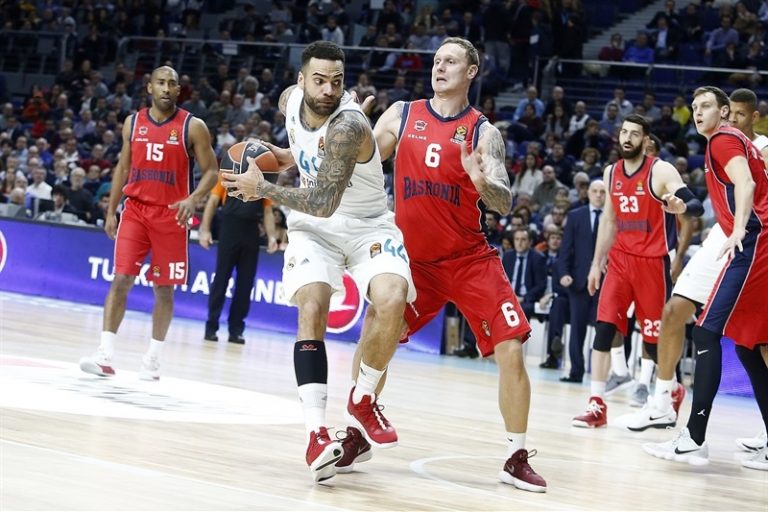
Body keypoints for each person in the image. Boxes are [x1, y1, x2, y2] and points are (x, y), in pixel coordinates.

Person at [220, 42, 415, 483]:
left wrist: (262, 187)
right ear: (301, 81)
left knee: (393, 299)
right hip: (314, 230)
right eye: (320, 80)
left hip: (366, 225)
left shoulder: (348, 125)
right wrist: (287, 156)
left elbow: (324, 201)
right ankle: (315, 435)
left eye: (337, 82)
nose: (328, 90)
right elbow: (305, 148)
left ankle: (363, 398)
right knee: (312, 306)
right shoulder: (289, 101)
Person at [372, 37, 547, 492]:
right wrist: (347, 127)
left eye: (450, 61)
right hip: (415, 262)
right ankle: (356, 430)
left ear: (471, 72)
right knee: (378, 334)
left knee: (511, 346)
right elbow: (365, 158)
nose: (440, 66)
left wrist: (481, 180)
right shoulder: (402, 114)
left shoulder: (484, 133)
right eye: (436, 60)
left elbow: (504, 202)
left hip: (469, 259)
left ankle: (516, 456)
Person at [622, 88, 768, 434]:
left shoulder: (750, 145)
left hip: (752, 233)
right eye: (695, 107)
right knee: (675, 311)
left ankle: (704, 435)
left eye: (740, 114)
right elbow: (706, 205)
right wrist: (683, 207)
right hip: (726, 232)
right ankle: (662, 401)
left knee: (752, 341)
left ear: (751, 116)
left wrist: (740, 226)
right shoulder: (718, 143)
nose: (734, 119)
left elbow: (748, 185)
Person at [78, 66, 219, 380]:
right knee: (121, 279)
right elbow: (123, 167)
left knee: (164, 289)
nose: (166, 88)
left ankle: (152, 360)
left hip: (172, 214)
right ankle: (104, 355)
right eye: (161, 83)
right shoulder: (133, 122)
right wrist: (111, 210)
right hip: (136, 211)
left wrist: (193, 198)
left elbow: (212, 171)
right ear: (149, 87)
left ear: (179, 90)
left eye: (172, 83)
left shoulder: (193, 126)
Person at [570, 114, 704, 429]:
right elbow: (609, 221)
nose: (627, 138)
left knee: (654, 340)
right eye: (624, 132)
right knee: (604, 328)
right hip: (619, 261)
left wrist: (681, 207)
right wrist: (596, 263)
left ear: (645, 139)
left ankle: (672, 390)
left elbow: (695, 204)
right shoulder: (611, 172)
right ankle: (596, 404)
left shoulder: (661, 170)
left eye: (634, 134)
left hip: (652, 263)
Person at [199, 178, 277, 344]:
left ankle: (236, 330)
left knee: (246, 284)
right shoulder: (227, 174)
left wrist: (272, 236)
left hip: (251, 230)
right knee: (221, 279)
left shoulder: (262, 179)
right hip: (229, 228)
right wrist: (204, 229)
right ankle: (211, 326)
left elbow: (267, 210)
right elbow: (212, 201)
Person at [557, 180, 605, 383]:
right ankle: (576, 372)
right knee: (577, 329)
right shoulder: (576, 216)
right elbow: (565, 249)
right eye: (595, 191)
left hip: (605, 283)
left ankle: (602, 375)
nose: (598, 195)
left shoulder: (614, 218)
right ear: (588, 193)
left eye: (602, 191)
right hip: (578, 282)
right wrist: (563, 273)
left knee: (604, 329)